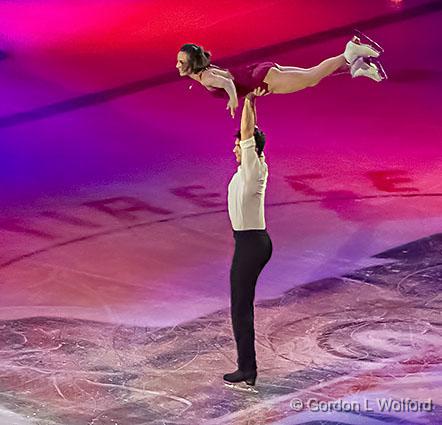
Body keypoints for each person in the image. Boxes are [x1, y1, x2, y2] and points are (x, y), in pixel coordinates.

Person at [176, 32, 386, 118]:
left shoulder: (206, 78)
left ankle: (349, 52)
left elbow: (227, 83)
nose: (177, 65)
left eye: (181, 62)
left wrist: (233, 101)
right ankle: (357, 66)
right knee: (310, 76)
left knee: (312, 77)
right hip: (261, 71)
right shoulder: (206, 70)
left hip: (263, 80)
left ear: (192, 64)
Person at [223, 88, 272, 391]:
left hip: (251, 244)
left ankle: (247, 369)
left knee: (241, 306)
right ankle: (247, 367)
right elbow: (247, 134)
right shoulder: (249, 169)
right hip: (249, 242)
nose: (235, 150)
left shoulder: (254, 168)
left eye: (238, 147)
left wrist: (249, 99)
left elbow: (246, 131)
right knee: (241, 304)